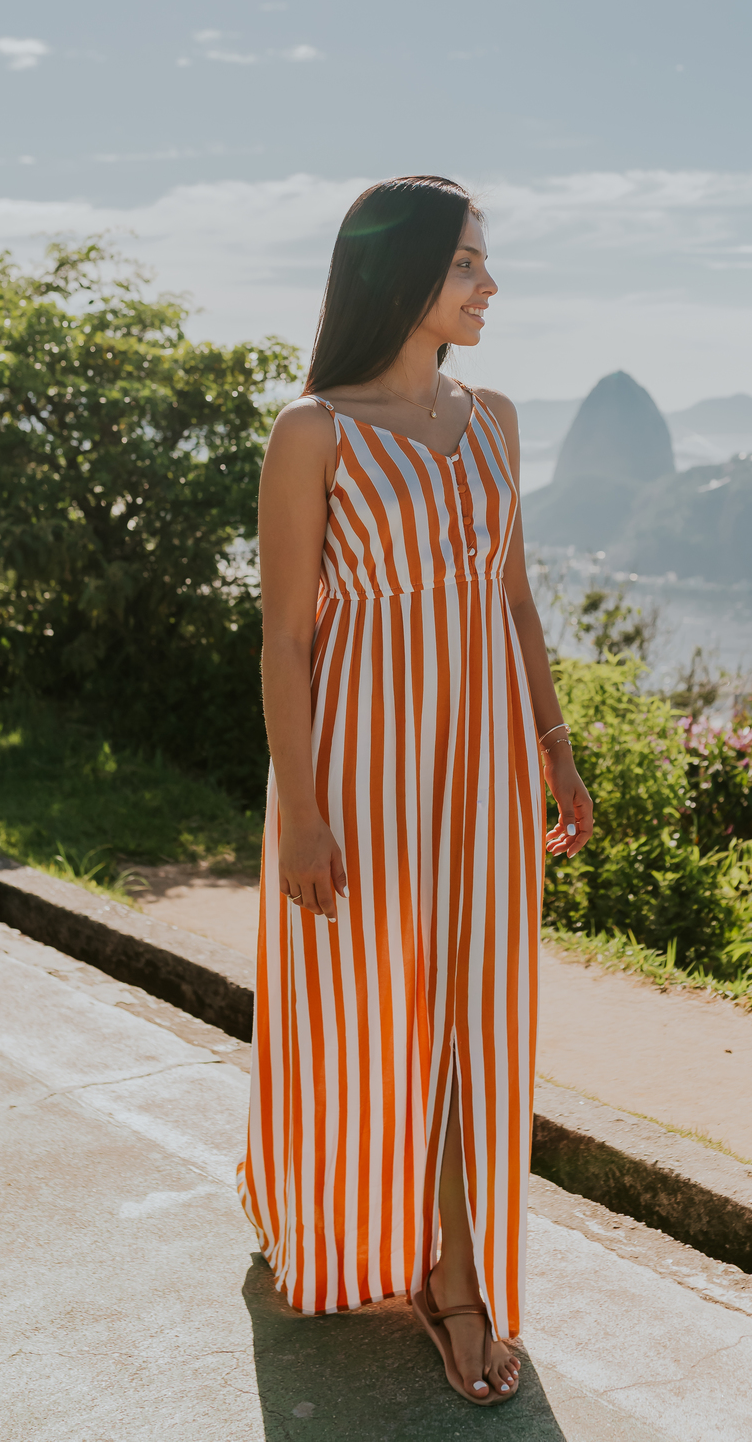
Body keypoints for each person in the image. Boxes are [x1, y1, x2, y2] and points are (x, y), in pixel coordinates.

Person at [240, 175, 593, 1406]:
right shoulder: (313, 431)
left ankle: (456, 1275)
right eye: (466, 264)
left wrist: (553, 746)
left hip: (483, 762)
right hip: (361, 765)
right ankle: (326, 1206)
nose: (490, 284)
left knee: (470, 1015)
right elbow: (286, 639)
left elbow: (515, 598)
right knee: (364, 1012)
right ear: (402, 276)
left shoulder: (493, 418)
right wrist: (304, 810)